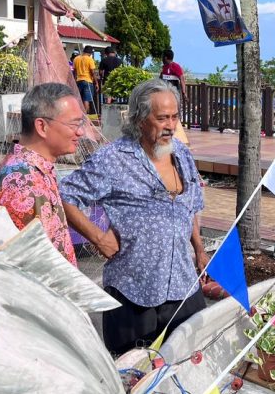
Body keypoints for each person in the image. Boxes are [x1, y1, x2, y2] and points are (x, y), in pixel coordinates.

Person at [0, 83, 86, 394]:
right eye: (75, 123)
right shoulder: (21, 180)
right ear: (42, 126)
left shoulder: (38, 172)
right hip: (36, 326)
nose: (82, 131)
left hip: (48, 322)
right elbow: (21, 269)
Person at [61, 78, 210, 354]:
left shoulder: (183, 155)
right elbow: (64, 194)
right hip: (134, 291)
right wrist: (98, 238)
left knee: (188, 366)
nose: (170, 126)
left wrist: (199, 248)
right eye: (162, 118)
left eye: (175, 117)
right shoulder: (113, 159)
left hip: (182, 284)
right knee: (135, 377)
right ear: (140, 119)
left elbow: (192, 206)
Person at [73, 46, 98, 114]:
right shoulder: (90, 59)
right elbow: (92, 72)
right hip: (87, 81)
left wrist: (74, 81)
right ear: (90, 53)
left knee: (79, 99)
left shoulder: (76, 58)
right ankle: (85, 116)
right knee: (86, 99)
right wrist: (96, 83)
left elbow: (74, 71)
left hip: (78, 81)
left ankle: (79, 114)